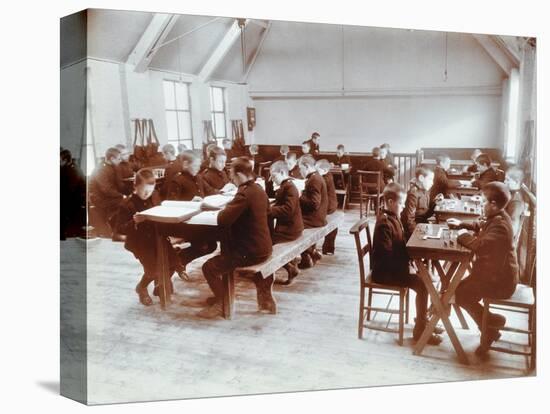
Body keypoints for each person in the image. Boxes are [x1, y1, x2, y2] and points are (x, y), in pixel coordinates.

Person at [449, 182, 519, 357]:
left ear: (493, 204)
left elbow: (479, 245)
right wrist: (462, 224)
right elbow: (481, 225)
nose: (480, 207)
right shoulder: (498, 217)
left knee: (460, 293)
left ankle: (489, 328)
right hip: (493, 275)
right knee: (458, 290)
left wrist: (461, 235)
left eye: (482, 203)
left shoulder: (501, 226)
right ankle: (491, 322)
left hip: (500, 282)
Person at [200, 157, 276, 318]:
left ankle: (221, 303)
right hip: (264, 247)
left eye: (233, 176)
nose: (232, 179)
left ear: (241, 175)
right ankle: (221, 296)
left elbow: (222, 220)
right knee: (222, 256)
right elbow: (269, 217)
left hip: (250, 252)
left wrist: (225, 208)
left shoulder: (244, 194)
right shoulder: (259, 190)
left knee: (209, 267)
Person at [372, 183, 442, 345]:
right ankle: (420, 331)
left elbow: (400, 244)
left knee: (424, 280)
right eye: (401, 203)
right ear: (390, 201)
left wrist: (410, 261)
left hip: (393, 268)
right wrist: (408, 266)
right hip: (385, 273)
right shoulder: (384, 223)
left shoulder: (393, 217)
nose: (404, 207)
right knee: (423, 285)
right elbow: (386, 256)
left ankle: (423, 321)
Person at [115, 169, 178, 306]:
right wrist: (134, 222)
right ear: (135, 186)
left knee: (174, 264)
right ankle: (141, 287)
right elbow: (119, 229)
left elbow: (159, 210)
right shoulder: (127, 204)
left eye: (150, 191)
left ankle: (159, 285)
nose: (147, 195)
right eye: (144, 192)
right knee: (153, 270)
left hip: (157, 238)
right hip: (140, 243)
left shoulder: (154, 196)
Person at [165, 151, 221, 280]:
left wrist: (223, 191)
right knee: (204, 246)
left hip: (199, 221)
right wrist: (189, 203)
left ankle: (179, 259)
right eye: (196, 165)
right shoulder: (177, 180)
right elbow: (170, 205)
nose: (198, 168)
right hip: (184, 224)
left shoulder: (198, 177)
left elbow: (210, 191)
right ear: (185, 164)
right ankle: (177, 262)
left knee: (211, 245)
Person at [269, 161, 304, 284]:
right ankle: (289, 267)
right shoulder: (286, 186)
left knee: (266, 243)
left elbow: (288, 210)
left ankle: (286, 268)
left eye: (274, 176)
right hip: (291, 227)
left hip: (290, 230)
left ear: (283, 172)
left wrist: (269, 210)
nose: (272, 180)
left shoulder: (289, 187)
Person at [297, 155, 327, 269]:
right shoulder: (316, 176)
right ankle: (311, 252)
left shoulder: (314, 179)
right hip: (318, 215)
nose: (300, 171)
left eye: (300, 168)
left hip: (315, 218)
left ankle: (308, 255)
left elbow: (314, 203)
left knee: (293, 224)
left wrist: (300, 196)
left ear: (306, 166)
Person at [89, 147, 126, 236]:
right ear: (112, 159)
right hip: (99, 198)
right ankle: (113, 226)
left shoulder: (111, 166)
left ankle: (117, 226)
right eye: (119, 159)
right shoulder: (100, 169)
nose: (120, 161)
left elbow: (117, 185)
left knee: (127, 201)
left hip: (106, 196)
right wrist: (122, 196)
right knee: (124, 202)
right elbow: (106, 189)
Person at [401, 167, 442, 241]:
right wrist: (416, 237)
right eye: (430, 179)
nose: (432, 183)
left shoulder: (425, 191)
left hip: (422, 225)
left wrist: (435, 203)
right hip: (413, 230)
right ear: (421, 178)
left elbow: (426, 214)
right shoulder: (413, 194)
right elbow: (409, 220)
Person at [60, 148, 86, 239]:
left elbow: (69, 191)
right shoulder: (65, 167)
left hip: (74, 203)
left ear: (65, 160)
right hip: (68, 199)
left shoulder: (74, 171)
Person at [316, 159, 338, 255]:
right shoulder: (328, 176)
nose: (316, 172)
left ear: (325, 171)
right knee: (333, 226)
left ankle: (328, 247)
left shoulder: (325, 179)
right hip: (332, 204)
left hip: (329, 205)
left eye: (318, 170)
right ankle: (329, 247)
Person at [504, 166, 527, 243]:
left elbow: (513, 227)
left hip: (504, 239)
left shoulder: (516, 201)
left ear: (517, 182)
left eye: (507, 180)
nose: (504, 182)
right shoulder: (511, 194)